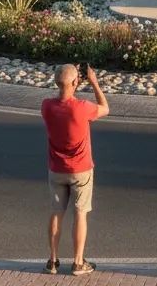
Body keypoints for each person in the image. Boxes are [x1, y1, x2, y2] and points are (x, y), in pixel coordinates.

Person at [41, 63, 110, 275]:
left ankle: (53, 261)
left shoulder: (47, 106)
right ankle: (78, 262)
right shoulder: (82, 107)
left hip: (57, 168)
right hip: (81, 169)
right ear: (75, 82)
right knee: (80, 214)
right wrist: (94, 82)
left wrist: (72, 79)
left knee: (56, 213)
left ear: (55, 82)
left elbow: (61, 101)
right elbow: (105, 108)